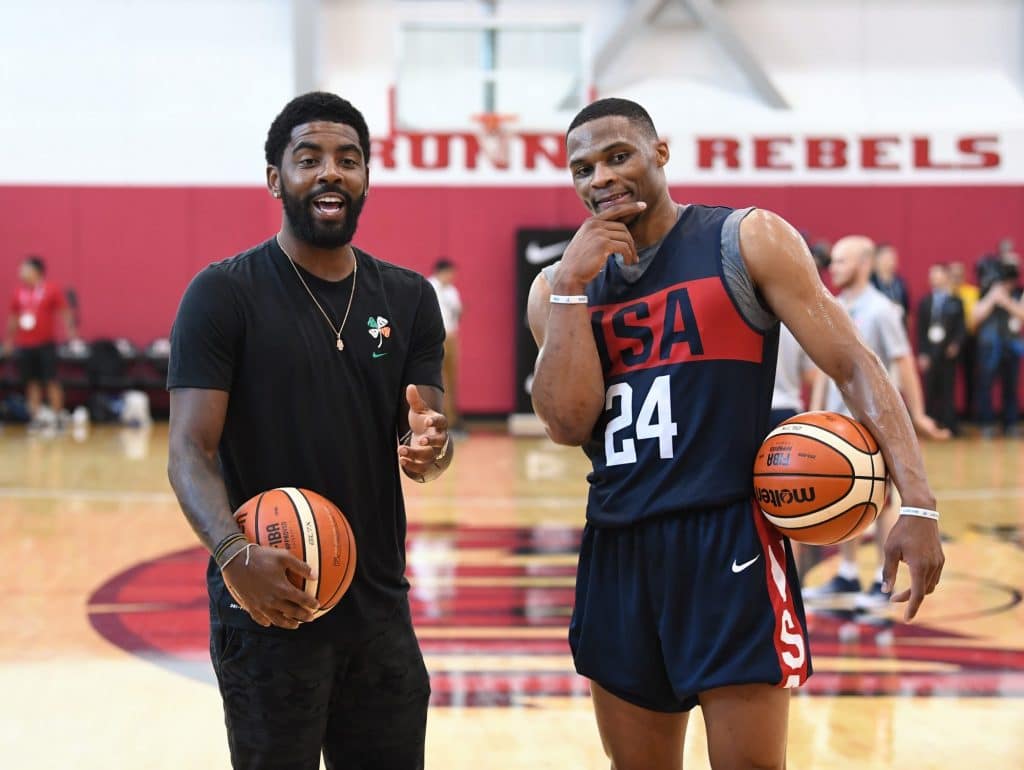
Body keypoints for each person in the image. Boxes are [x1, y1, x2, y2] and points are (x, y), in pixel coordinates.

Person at [527, 98, 944, 770]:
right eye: (583, 168)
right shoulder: (555, 287)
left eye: (617, 156)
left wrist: (917, 502)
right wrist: (574, 285)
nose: (599, 177)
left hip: (730, 539)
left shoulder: (746, 238)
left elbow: (852, 365)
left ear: (660, 154)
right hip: (620, 544)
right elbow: (567, 423)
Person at [166, 91, 452, 770]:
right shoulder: (223, 294)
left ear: (366, 180)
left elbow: (430, 443)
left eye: (349, 160)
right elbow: (188, 451)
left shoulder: (409, 299)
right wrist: (235, 554)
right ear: (275, 178)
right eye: (309, 158)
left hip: (378, 605)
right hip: (266, 602)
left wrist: (429, 450)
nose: (331, 172)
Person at [805, 236, 948, 608]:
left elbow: (903, 363)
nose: (832, 267)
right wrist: (815, 415)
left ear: (864, 263)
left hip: (873, 423)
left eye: (841, 261)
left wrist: (916, 415)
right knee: (844, 497)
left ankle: (881, 582)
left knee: (882, 503)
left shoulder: (882, 309)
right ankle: (848, 573)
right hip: (839, 426)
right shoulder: (832, 306)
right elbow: (825, 370)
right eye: (832, 261)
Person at [2, 255, 78, 429]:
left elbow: (64, 312)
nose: (21, 272)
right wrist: (9, 341)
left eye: (25, 269)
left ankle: (58, 417)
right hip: (25, 344)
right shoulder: (18, 292)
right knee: (31, 382)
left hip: (45, 344)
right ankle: (35, 418)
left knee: (51, 380)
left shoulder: (51, 289)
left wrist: (72, 334)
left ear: (36, 271)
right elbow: (13, 317)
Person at [973, 254, 1024, 437]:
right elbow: (975, 317)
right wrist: (992, 298)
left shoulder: (1019, 292)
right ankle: (987, 423)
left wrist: (1007, 301)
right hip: (989, 347)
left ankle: (1010, 424)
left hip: (1012, 345)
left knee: (1011, 387)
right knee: (986, 385)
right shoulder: (987, 291)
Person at [916, 264, 966, 435]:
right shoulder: (925, 302)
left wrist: (956, 344)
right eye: (932, 275)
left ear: (945, 277)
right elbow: (921, 330)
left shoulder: (956, 301)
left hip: (948, 353)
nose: (934, 278)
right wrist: (922, 353)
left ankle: (949, 424)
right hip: (931, 352)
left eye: (938, 275)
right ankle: (930, 424)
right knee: (930, 389)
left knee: (947, 389)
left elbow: (961, 327)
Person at [427, 258, 464, 435]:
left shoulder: (452, 291)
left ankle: (452, 420)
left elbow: (457, 313)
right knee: (438, 379)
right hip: (436, 339)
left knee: (451, 379)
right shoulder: (429, 287)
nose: (452, 277)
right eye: (449, 273)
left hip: (451, 337)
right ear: (440, 272)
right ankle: (437, 420)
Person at [770, 323, 819, 429]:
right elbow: (811, 376)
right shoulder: (798, 324)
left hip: (751, 411)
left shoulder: (746, 313)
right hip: (788, 408)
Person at [949, 260, 980, 422]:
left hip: (970, 339)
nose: (957, 277)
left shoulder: (972, 292)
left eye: (959, 274)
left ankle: (970, 413)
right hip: (950, 340)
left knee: (970, 378)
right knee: (948, 378)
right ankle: (949, 414)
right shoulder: (947, 293)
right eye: (953, 274)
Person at [871, 243, 911, 325]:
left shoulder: (901, 283)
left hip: (897, 325)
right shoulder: (870, 283)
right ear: (877, 260)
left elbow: (907, 309)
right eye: (888, 258)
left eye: (893, 258)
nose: (892, 261)